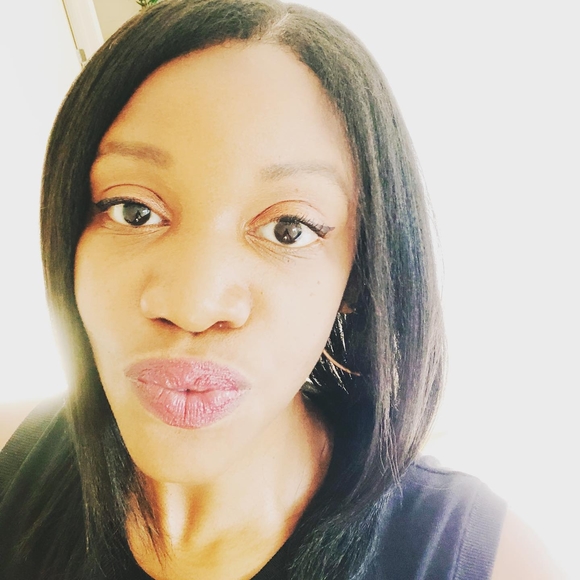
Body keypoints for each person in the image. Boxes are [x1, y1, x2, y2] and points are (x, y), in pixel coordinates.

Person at [0, 1, 562, 578]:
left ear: (359, 274)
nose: (194, 306)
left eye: (288, 229)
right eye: (133, 210)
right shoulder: (8, 456)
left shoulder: (489, 562)